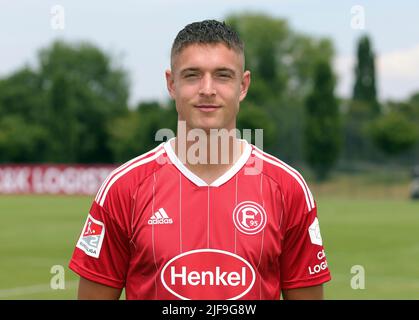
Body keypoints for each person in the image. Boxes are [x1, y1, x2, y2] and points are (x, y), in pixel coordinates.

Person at [69, 19, 331, 300]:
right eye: (192, 75)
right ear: (172, 84)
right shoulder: (124, 188)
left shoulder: (287, 188)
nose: (207, 89)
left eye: (222, 75)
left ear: (243, 85)